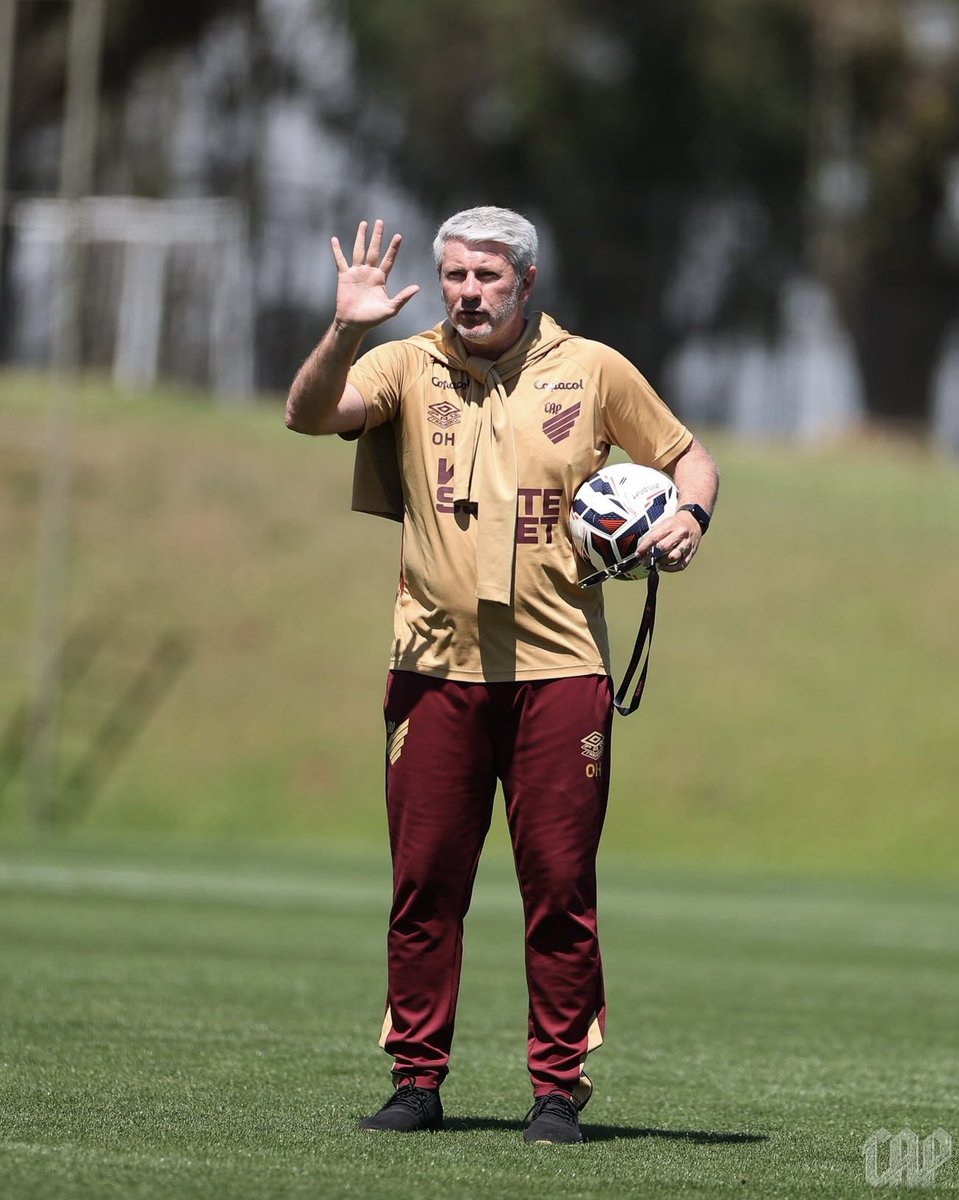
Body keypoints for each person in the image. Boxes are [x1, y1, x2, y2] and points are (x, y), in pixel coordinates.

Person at [286, 207, 719, 1145]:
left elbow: (689, 459)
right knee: (424, 883)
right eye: (453, 276)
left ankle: (557, 1090)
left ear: (526, 284)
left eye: (486, 277)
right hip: (431, 669)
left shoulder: (593, 369)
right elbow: (308, 414)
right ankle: (415, 1080)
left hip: (561, 671)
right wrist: (348, 327)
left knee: (559, 885)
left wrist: (689, 518)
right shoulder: (403, 364)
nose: (466, 293)